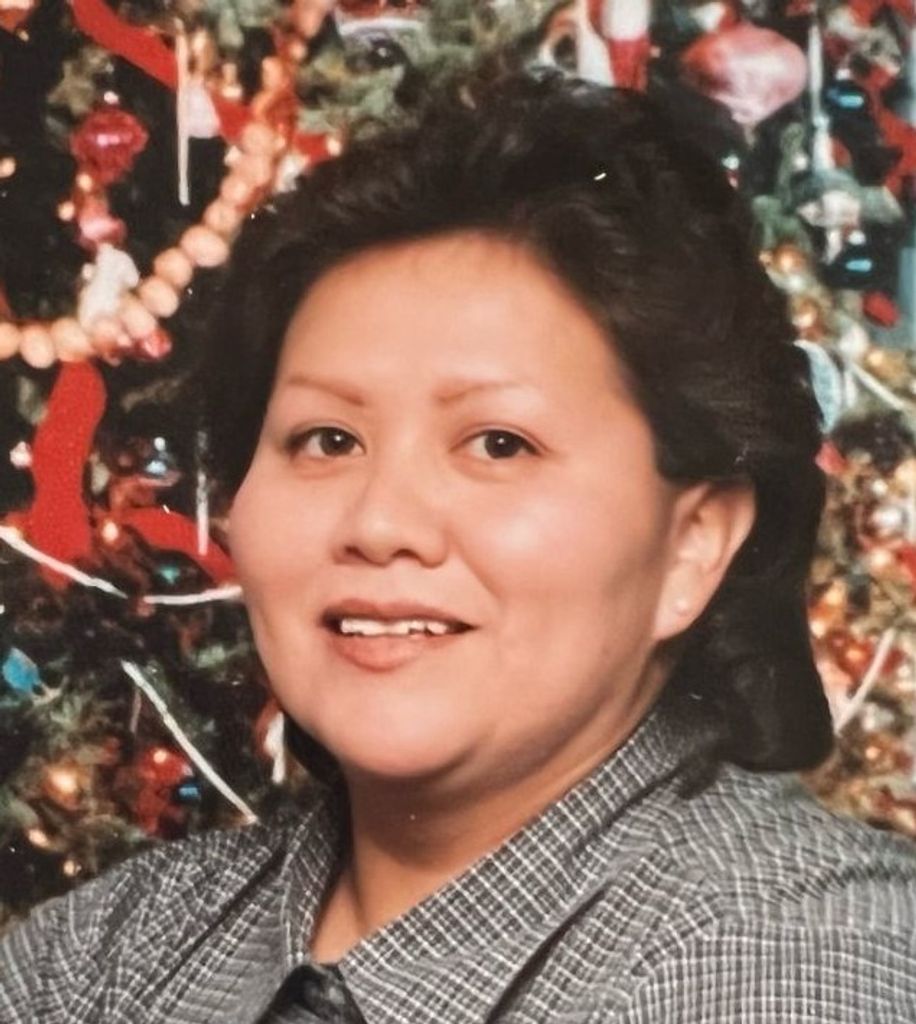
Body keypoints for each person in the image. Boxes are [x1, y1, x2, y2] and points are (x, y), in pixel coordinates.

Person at [2, 68, 916, 1024]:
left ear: (693, 544)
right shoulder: (100, 960)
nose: (381, 523)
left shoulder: (811, 966)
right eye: (327, 440)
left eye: (499, 445)